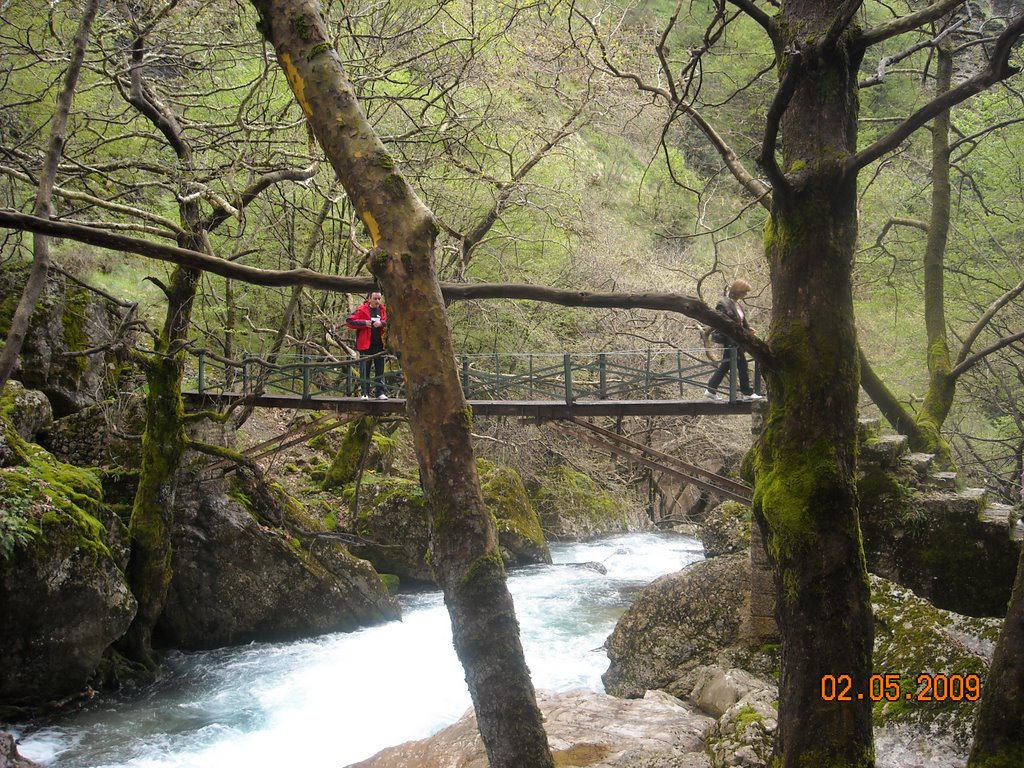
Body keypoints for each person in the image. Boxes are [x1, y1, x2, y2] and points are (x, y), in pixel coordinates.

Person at [704, 279, 764, 402]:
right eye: (744, 292)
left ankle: (710, 389)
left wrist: (747, 329)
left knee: (726, 365)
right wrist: (720, 343)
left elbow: (740, 321)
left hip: (737, 340)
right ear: (738, 291)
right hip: (730, 340)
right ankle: (747, 392)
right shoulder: (723, 304)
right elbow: (720, 323)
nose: (745, 295)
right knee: (742, 364)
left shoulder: (737, 304)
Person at [346, 291, 388, 399]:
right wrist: (364, 323)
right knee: (365, 370)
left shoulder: (383, 310)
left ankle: (380, 393)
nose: (377, 301)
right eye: (375, 298)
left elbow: (391, 321)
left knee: (380, 370)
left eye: (379, 298)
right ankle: (365, 393)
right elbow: (349, 321)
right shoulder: (362, 309)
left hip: (380, 345)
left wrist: (382, 323)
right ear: (370, 298)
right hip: (365, 345)